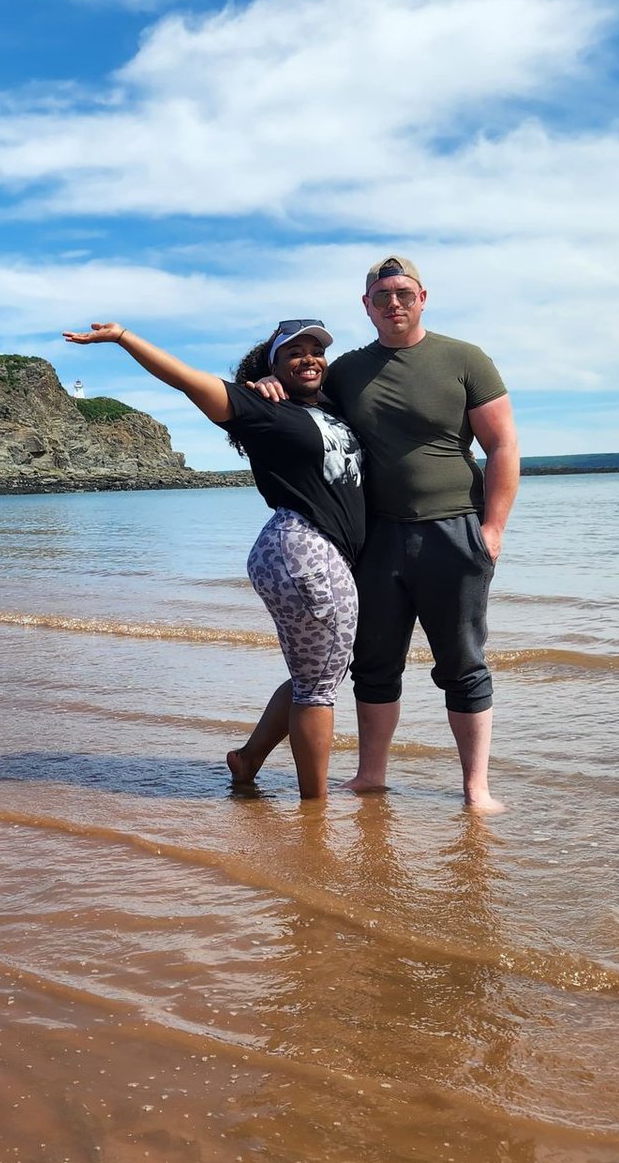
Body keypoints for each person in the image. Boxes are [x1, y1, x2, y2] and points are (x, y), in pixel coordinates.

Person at [252, 255, 519, 813]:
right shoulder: (348, 370)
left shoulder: (465, 359)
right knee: (373, 664)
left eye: (403, 293)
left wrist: (492, 530)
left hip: (453, 531)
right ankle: (370, 775)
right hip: (374, 540)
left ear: (423, 297)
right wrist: (268, 382)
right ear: (367, 305)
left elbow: (502, 447)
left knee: (463, 663)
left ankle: (476, 789)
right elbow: (305, 403)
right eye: (381, 295)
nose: (393, 303)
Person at [63, 319, 365, 799]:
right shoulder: (257, 407)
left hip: (310, 550)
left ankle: (247, 760)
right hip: (304, 547)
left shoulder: (330, 407)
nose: (309, 358)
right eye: (294, 353)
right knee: (318, 688)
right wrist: (123, 338)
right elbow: (184, 378)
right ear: (273, 366)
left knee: (317, 674)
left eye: (316, 351)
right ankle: (316, 812)